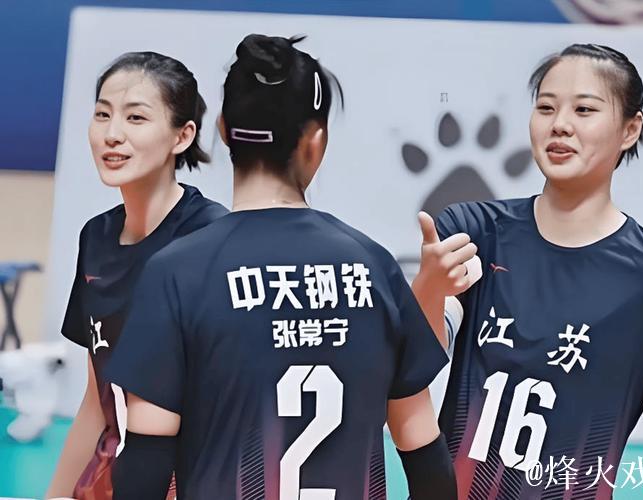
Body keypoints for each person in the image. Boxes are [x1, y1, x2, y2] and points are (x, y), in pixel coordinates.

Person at [105, 34, 457, 500]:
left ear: (224, 129)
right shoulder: (374, 267)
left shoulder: (174, 273)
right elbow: (429, 466)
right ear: (315, 143)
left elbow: (143, 472)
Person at [412, 43, 643, 499]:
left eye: (584, 109)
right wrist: (427, 289)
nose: (560, 124)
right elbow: (413, 365)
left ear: (630, 129)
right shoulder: (474, 232)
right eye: (546, 107)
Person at [46, 51, 228, 500]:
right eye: (102, 114)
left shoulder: (211, 236)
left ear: (182, 136)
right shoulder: (96, 236)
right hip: (109, 479)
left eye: (136, 117)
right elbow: (97, 402)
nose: (112, 134)